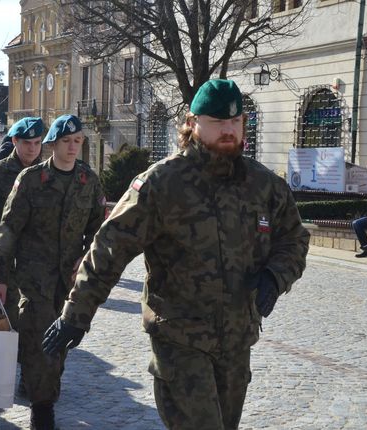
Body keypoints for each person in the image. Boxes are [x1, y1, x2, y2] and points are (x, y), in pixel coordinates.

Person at [42, 80, 310, 430]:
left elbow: (294, 239)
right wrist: (75, 315)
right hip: (179, 340)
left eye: (235, 121)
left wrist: (275, 277)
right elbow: (110, 247)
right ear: (192, 122)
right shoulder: (162, 182)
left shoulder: (263, 185)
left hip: (236, 339)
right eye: (216, 121)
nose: (228, 130)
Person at [0, 114, 105, 430]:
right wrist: (0, 277)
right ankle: (42, 412)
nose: (72, 147)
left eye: (77, 141)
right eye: (66, 142)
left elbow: (98, 229)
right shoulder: (31, 180)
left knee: (61, 345)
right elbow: (8, 229)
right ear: (52, 145)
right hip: (34, 280)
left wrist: (87, 259)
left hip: (70, 283)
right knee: (40, 342)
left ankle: (43, 391)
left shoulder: (88, 181)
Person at [0, 117, 43, 324]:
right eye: (27, 143)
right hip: (4, 261)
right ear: (15, 142)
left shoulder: (46, 174)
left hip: (36, 262)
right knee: (1, 325)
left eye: (37, 143)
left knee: (32, 327)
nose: (32, 149)